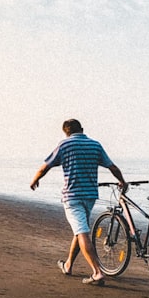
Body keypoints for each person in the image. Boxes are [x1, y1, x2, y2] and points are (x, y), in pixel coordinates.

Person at [30, 119, 127, 286]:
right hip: (90, 196)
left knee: (82, 232)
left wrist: (35, 180)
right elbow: (112, 167)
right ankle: (68, 265)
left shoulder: (64, 145)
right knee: (80, 229)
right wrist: (122, 181)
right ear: (82, 129)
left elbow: (45, 167)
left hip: (72, 197)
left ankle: (97, 272)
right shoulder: (95, 145)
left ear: (66, 132)